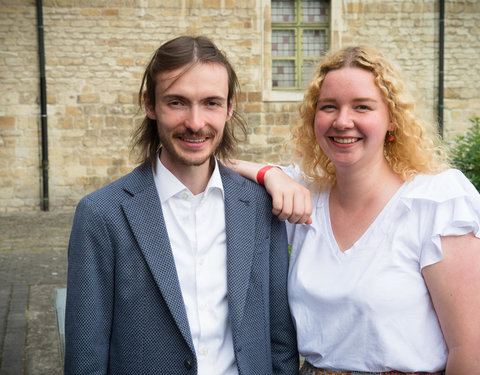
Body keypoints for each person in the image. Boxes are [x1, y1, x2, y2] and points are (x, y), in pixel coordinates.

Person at [228, 45, 480, 374]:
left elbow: (470, 350)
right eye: (329, 107)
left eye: (362, 107)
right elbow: (208, 166)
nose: (342, 121)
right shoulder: (305, 196)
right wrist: (268, 172)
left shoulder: (433, 202)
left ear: (393, 121)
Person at [64, 35, 299, 375]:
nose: (195, 122)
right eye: (177, 102)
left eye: (211, 103)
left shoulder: (261, 207)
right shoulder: (101, 215)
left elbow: (279, 340)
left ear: (230, 107)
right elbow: (86, 358)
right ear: (149, 104)